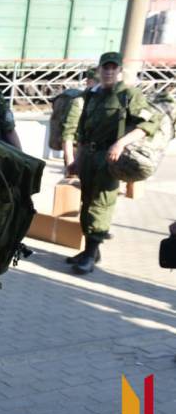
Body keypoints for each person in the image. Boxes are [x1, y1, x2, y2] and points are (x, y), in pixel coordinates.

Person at [66, 51, 160, 275]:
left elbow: (149, 124)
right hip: (89, 156)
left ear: (119, 70)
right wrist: (76, 160)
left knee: (101, 204)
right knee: (86, 202)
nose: (109, 72)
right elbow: (82, 131)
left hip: (110, 158)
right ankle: (90, 251)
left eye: (113, 68)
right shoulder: (92, 95)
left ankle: (90, 254)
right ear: (99, 70)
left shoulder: (129, 94)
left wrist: (120, 144)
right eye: (105, 68)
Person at [60, 67, 98, 169]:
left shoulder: (102, 101)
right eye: (97, 82)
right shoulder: (79, 102)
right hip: (77, 152)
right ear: (88, 82)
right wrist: (70, 163)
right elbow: (67, 135)